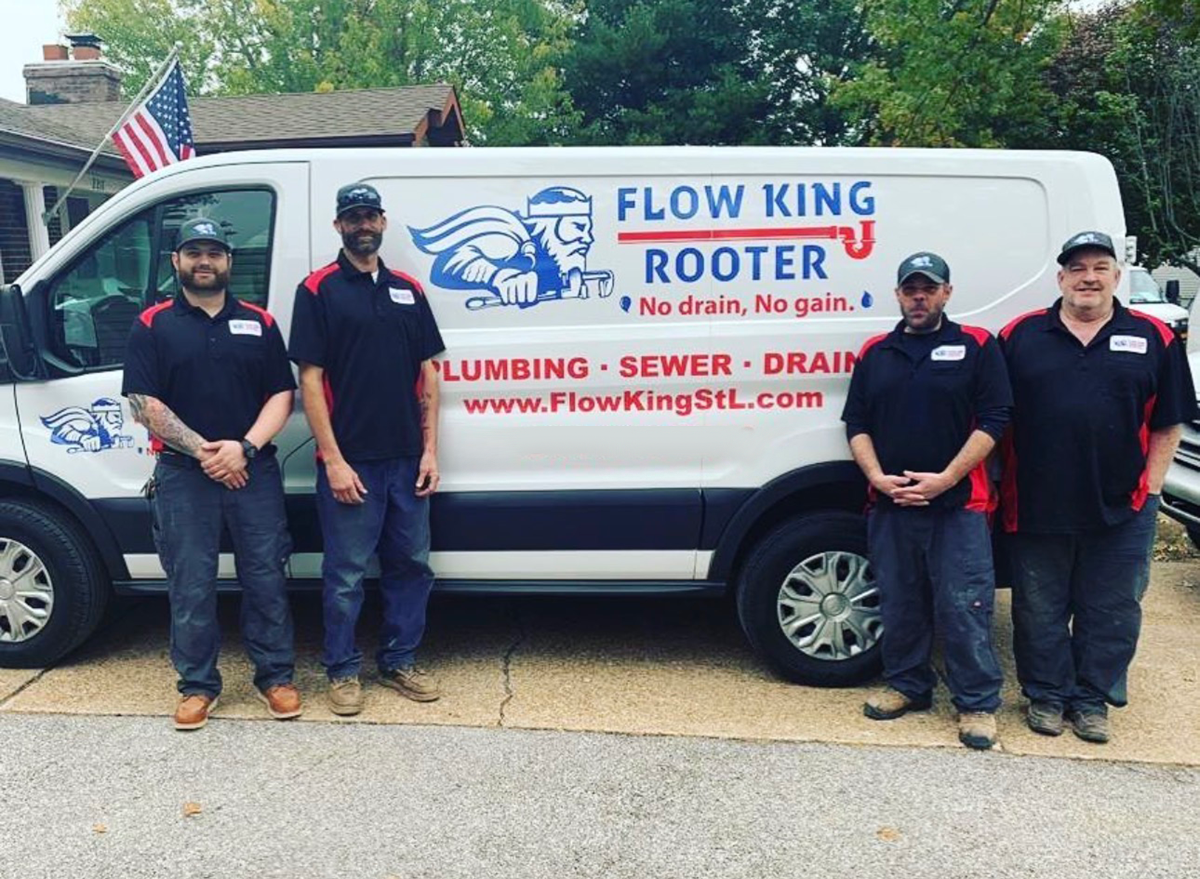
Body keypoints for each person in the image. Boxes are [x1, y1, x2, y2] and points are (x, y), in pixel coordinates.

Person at [999, 231, 1198, 744]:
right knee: (1038, 609)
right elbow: (995, 418)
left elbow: (1169, 422)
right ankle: (1046, 695)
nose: (1088, 278)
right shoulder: (1020, 335)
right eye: (1078, 268)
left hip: (1124, 505)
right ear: (1061, 278)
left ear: (1116, 276)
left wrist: (1151, 489)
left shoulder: (1153, 337)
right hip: (1036, 502)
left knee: (1111, 610)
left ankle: (1091, 700)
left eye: (1100, 267)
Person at [122, 218, 300, 731]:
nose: (205, 261)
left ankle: (276, 677)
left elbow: (281, 394)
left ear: (229, 262)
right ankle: (197, 686)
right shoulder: (152, 324)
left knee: (266, 577)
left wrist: (244, 448)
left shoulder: (260, 323)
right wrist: (208, 454)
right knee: (190, 583)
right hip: (183, 476)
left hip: (253, 472)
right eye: (194, 252)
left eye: (214, 253)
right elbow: (143, 403)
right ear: (176, 261)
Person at [842, 252, 1012, 750]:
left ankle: (976, 703)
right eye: (911, 289)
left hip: (958, 505)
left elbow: (995, 420)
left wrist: (946, 478)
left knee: (964, 606)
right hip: (891, 505)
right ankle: (907, 685)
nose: (920, 297)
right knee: (901, 602)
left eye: (929, 289)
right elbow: (857, 423)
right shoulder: (876, 352)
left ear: (946, 293)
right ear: (898, 295)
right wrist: (877, 478)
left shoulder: (976, 345)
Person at [288, 182, 445, 716]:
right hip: (351, 462)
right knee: (346, 574)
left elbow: (429, 373)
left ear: (382, 222)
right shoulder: (318, 290)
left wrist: (430, 451)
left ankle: (399, 661)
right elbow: (310, 381)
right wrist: (333, 460)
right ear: (339, 225)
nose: (363, 225)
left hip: (407, 461)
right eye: (352, 217)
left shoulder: (408, 289)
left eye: (370, 216)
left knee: (411, 566)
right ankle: (342, 670)